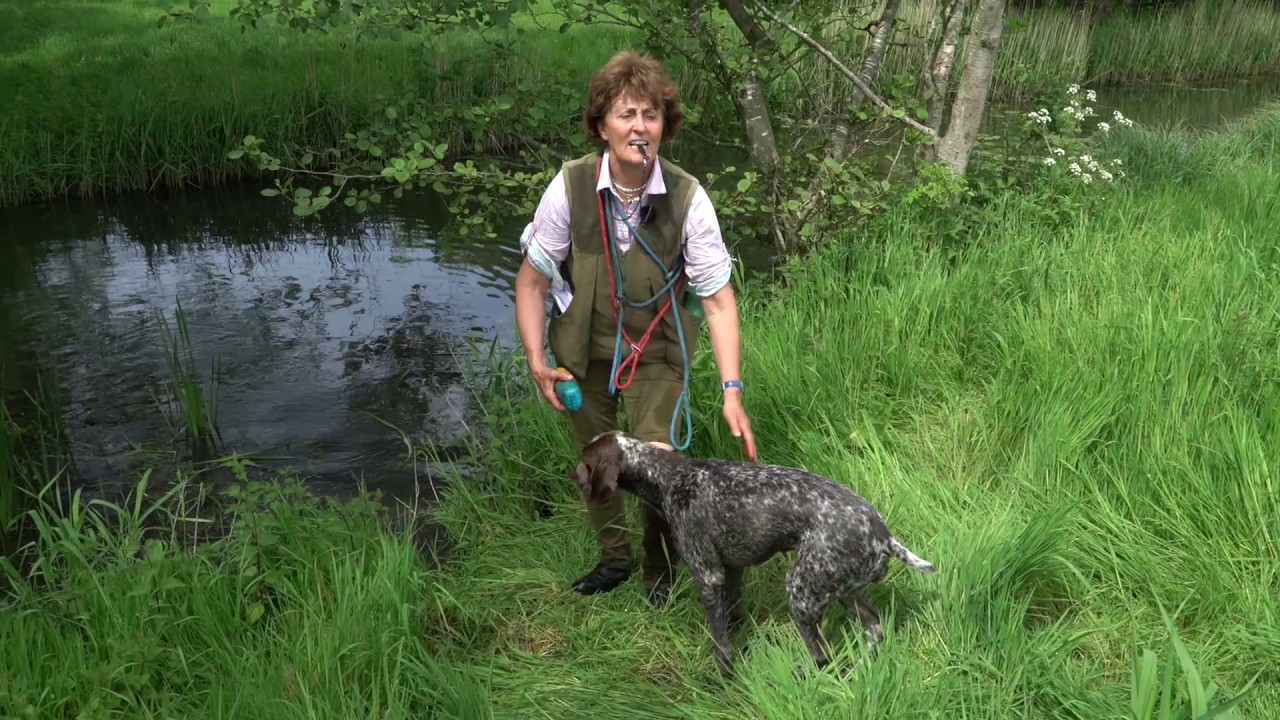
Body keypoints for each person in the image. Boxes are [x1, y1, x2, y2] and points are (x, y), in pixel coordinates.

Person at [513, 49, 757, 606]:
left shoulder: (689, 198)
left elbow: (718, 301)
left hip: (657, 349)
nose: (640, 127)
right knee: (595, 460)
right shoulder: (570, 187)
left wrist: (732, 391)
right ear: (602, 126)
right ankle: (614, 560)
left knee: (658, 465)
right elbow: (531, 282)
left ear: (664, 127)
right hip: (583, 350)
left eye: (651, 115)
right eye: (626, 114)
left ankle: (658, 571)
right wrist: (536, 360)